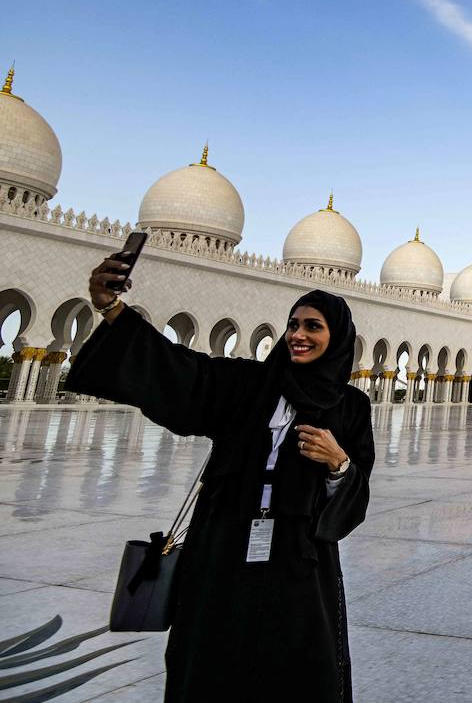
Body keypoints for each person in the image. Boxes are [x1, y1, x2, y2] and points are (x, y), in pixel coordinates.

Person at [67, 253, 374, 702]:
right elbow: (177, 367)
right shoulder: (247, 383)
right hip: (224, 545)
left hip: (298, 553)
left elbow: (357, 491)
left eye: (313, 326)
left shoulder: (350, 406)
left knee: (297, 657)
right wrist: (111, 308)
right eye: (293, 324)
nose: (299, 336)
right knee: (212, 653)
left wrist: (338, 463)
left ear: (338, 337)